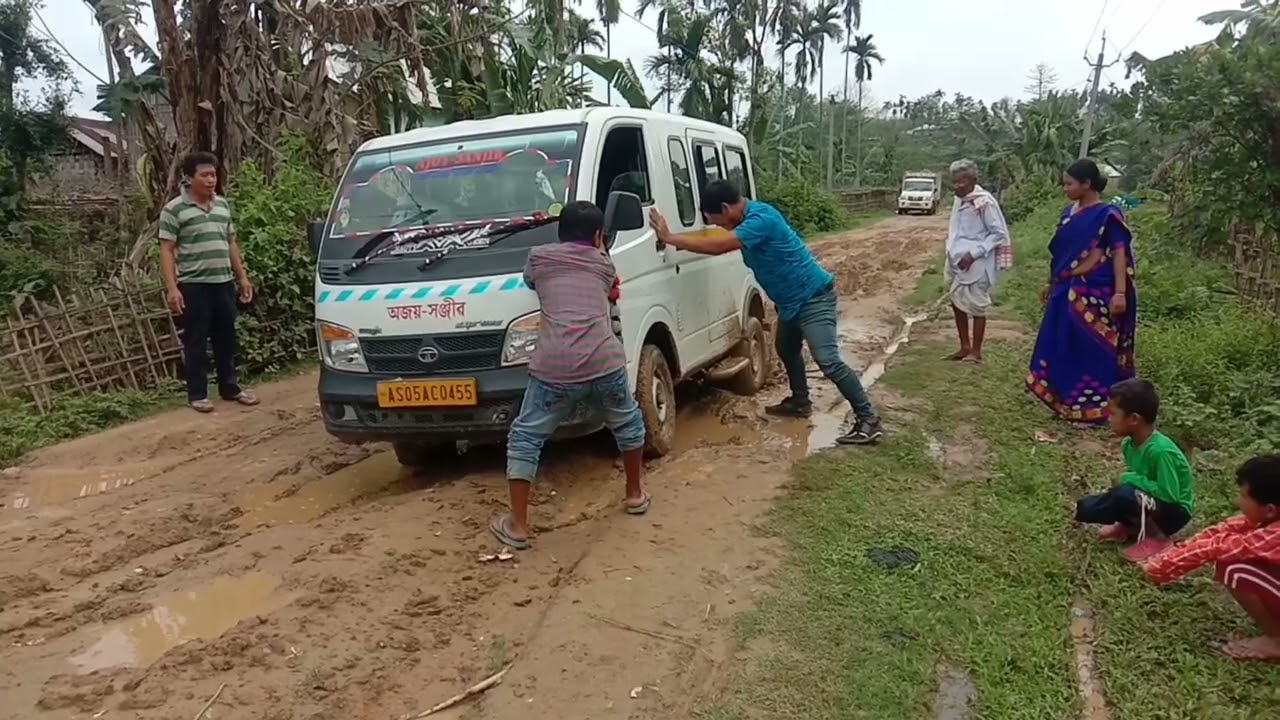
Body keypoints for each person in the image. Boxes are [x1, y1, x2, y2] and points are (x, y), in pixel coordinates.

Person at [648, 180, 882, 445]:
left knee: (828, 360)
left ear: (726, 208)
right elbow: (713, 239)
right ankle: (800, 402)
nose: (720, 227)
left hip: (813, 298)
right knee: (786, 349)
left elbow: (720, 245)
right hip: (790, 303)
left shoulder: (761, 219)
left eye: (718, 221)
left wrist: (669, 238)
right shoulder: (746, 220)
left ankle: (869, 419)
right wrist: (675, 241)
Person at [489, 201, 648, 550]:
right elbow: (610, 287)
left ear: (559, 232)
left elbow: (530, 281)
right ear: (597, 235)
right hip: (604, 360)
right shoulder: (603, 264)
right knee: (627, 421)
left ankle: (518, 526)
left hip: (555, 366)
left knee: (526, 437)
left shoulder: (538, 258)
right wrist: (599, 250)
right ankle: (634, 495)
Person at [1140, 454, 1280, 662]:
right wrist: (1169, 557)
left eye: (1243, 497)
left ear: (1269, 510)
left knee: (1234, 569)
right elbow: (1219, 532)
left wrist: (1157, 570)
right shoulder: (1270, 517)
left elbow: (1217, 547)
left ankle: (1276, 642)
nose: (1237, 501)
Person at [1027, 158, 1135, 423]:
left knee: (1093, 348)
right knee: (1061, 344)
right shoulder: (1068, 214)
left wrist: (1120, 293)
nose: (1065, 188)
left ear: (1086, 184)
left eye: (1069, 184)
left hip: (1095, 292)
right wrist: (1050, 282)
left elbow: (1119, 253)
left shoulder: (1108, 215)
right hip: (1064, 288)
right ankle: (1065, 403)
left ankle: (1093, 410)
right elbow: (1060, 256)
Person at [159, 152, 258, 413]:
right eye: (204, 175)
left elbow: (231, 242)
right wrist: (172, 288)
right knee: (196, 340)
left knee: (226, 338)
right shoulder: (174, 209)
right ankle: (198, 394)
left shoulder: (222, 205)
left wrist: (242, 277)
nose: (211, 180)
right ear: (189, 178)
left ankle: (230, 387)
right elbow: (167, 249)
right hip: (194, 285)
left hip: (223, 282)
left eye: (213, 174)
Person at [1074, 378, 1194, 562]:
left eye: (1113, 414)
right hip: (1152, 504)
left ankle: (1158, 538)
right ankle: (1130, 526)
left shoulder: (1161, 451)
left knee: (1125, 494)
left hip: (1174, 512)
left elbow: (1169, 495)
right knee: (1118, 496)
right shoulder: (1128, 445)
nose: (1109, 419)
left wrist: (1131, 480)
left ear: (1134, 419)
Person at [943, 159, 1010, 364]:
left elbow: (997, 234)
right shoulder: (959, 201)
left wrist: (973, 254)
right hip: (956, 261)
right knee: (957, 301)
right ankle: (964, 346)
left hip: (977, 263)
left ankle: (976, 351)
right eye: (954, 182)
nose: (956, 186)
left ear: (972, 180)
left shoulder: (984, 202)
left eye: (961, 182)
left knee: (977, 306)